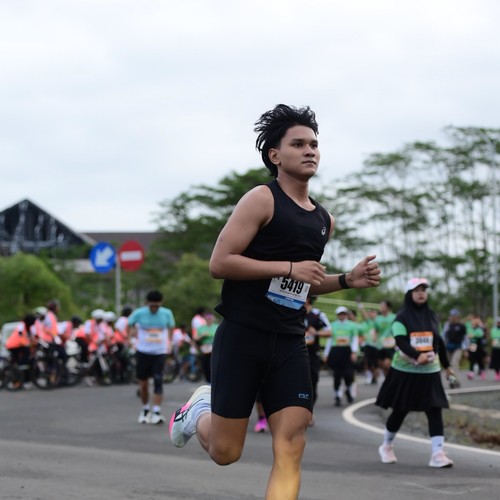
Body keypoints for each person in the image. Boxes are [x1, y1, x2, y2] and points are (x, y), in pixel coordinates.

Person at [168, 104, 381, 500]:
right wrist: (288, 267)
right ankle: (198, 410)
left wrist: (345, 280)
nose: (310, 150)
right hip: (243, 336)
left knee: (292, 443)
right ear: (275, 155)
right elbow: (220, 263)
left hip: (289, 340)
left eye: (314, 144)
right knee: (226, 452)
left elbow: (303, 284)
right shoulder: (262, 200)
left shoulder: (324, 220)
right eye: (298, 144)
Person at [376, 278, 455, 468]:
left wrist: (447, 366)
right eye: (417, 290)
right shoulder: (401, 317)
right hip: (406, 370)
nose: (421, 293)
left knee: (434, 409)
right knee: (401, 409)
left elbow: (439, 341)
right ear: (409, 294)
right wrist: (416, 356)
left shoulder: (433, 316)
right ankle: (386, 445)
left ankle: (437, 453)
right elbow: (400, 341)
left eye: (424, 290)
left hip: (430, 371)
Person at [128, 290, 175, 425]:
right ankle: (145, 409)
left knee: (158, 380)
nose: (154, 308)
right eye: (151, 306)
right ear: (147, 303)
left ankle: (156, 411)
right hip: (143, 351)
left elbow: (171, 327)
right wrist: (130, 338)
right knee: (143, 384)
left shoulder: (167, 313)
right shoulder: (139, 313)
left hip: (159, 352)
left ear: (161, 303)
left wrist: (170, 342)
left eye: (157, 306)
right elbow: (130, 324)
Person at [324, 306, 359, 407]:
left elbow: (355, 339)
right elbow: (329, 340)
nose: (342, 315)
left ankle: (348, 390)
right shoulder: (333, 325)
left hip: (347, 351)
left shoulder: (352, 325)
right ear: (337, 315)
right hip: (336, 351)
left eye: (344, 313)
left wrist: (354, 352)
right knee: (337, 375)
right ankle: (337, 395)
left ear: (347, 314)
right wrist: (326, 353)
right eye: (340, 314)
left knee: (348, 374)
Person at [304, 295, 332, 415]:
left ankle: (309, 412)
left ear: (308, 299)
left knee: (311, 384)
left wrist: (315, 333)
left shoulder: (318, 314)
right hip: (293, 353)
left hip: (312, 354)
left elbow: (329, 332)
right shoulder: (293, 312)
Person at [441, 308, 466, 387]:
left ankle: (456, 381)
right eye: (451, 315)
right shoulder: (447, 325)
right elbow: (443, 335)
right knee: (449, 365)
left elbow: (465, 338)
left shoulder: (461, 326)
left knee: (454, 363)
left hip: (458, 347)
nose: (452, 317)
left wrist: (465, 349)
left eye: (454, 316)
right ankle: (452, 381)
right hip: (448, 347)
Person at [195, 312, 218, 383]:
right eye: (208, 319)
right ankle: (208, 380)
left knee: (212, 364)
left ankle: (213, 380)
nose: (209, 320)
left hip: (214, 348)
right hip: (204, 348)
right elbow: (195, 338)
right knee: (205, 365)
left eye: (210, 319)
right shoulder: (201, 328)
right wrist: (202, 335)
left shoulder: (217, 326)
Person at [465, 314, 487, 380]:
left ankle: (482, 370)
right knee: (472, 358)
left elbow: (481, 333)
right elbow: (467, 328)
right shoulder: (470, 328)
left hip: (479, 346)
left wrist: (473, 335)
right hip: (472, 345)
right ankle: (471, 372)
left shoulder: (480, 328)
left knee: (479, 359)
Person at [489, 317, 500, 381]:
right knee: (496, 362)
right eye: (498, 322)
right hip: (495, 347)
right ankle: (497, 373)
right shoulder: (494, 329)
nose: (498, 324)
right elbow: (493, 336)